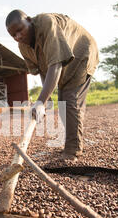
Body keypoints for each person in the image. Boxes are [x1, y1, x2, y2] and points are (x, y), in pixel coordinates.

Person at [6, 10, 99, 162]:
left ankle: (72, 151)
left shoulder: (46, 23)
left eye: (20, 30)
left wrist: (40, 101)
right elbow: (43, 69)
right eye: (13, 35)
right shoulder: (23, 47)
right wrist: (46, 98)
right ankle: (71, 144)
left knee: (70, 101)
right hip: (63, 66)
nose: (18, 37)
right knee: (63, 104)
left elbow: (55, 64)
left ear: (29, 20)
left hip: (82, 52)